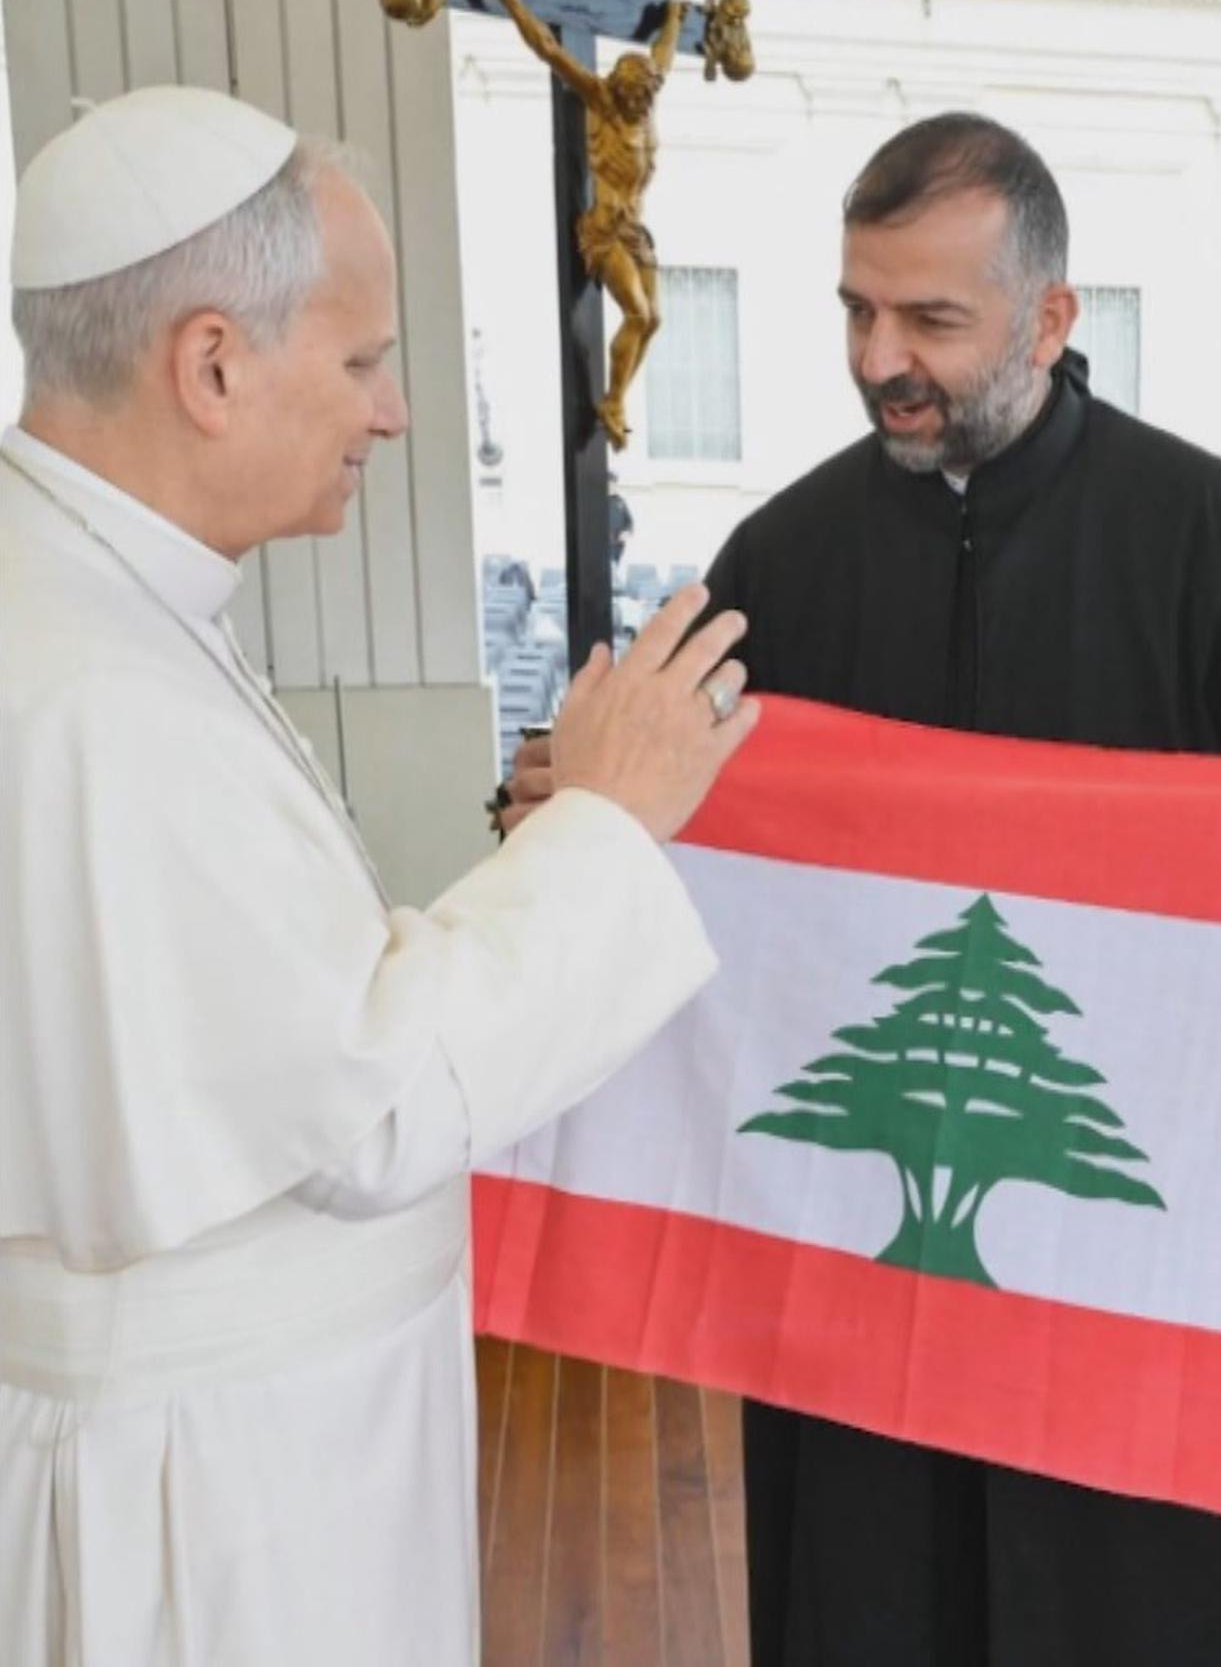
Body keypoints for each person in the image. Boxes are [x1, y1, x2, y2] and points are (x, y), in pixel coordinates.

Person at [0, 85, 758, 1667]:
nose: (393, 412)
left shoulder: (90, 601)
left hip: (241, 1436)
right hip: (221, 1499)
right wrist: (608, 824)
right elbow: (364, 1096)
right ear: (211, 364)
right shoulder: (94, 689)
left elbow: (266, 1005)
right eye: (359, 361)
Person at [700, 112, 1221, 1667]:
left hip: (1149, 1248)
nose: (881, 357)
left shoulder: (1213, 537)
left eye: (932, 321)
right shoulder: (784, 556)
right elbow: (659, 813)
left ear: (1052, 316)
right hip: (860, 1258)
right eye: (854, 309)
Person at [476, 0, 684, 451]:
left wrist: (674, 19)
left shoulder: (645, 103)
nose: (640, 105)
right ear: (622, 90)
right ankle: (613, 400)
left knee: (654, 319)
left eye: (646, 98)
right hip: (605, 229)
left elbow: (664, 55)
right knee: (636, 313)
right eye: (635, 97)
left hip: (636, 230)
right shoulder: (602, 100)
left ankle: (615, 401)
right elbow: (548, 47)